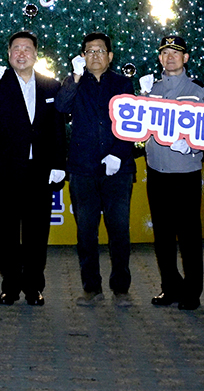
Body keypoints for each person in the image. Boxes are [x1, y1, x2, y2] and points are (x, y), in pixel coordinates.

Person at [0, 31, 67, 305]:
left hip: (39, 172)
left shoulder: (51, 86)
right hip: (4, 171)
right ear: (9, 54)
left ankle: (33, 287)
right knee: (5, 233)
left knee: (36, 232)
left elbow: (58, 128)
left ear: (35, 54)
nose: (21, 53)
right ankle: (10, 286)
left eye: (26, 49)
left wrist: (58, 163)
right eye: (16, 48)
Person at [55, 32, 136, 306]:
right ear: (82, 57)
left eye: (100, 51)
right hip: (83, 169)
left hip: (119, 170)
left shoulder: (124, 84)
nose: (95, 56)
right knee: (86, 232)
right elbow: (61, 107)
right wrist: (74, 78)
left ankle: (121, 288)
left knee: (119, 232)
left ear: (110, 56)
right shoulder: (74, 83)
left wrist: (119, 153)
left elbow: (134, 124)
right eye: (89, 51)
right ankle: (91, 288)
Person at [142, 35, 204, 310]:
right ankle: (169, 286)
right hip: (157, 171)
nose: (170, 57)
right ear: (160, 58)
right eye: (165, 52)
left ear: (186, 58)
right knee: (163, 235)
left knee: (190, 235)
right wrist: (143, 98)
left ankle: (192, 291)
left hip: (186, 172)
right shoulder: (152, 89)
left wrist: (192, 147)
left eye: (176, 52)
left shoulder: (198, 91)